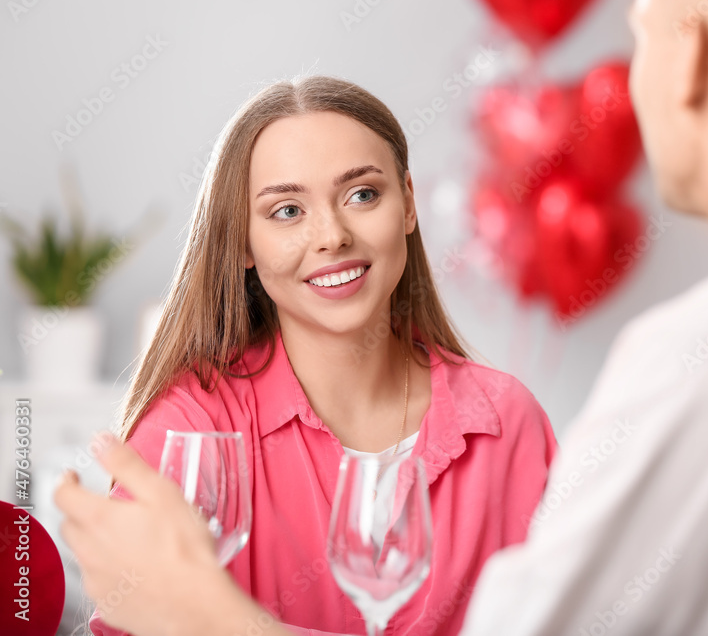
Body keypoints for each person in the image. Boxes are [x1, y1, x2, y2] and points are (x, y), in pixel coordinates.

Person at [57, 0, 708, 633]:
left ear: (693, 57)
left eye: (636, 33)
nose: (330, 235)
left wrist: (208, 618)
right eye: (287, 210)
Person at [77, 76, 557, 635]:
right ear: (242, 244)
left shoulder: (508, 425)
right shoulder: (189, 433)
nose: (331, 236)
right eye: (286, 211)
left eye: (362, 195)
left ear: (407, 205)